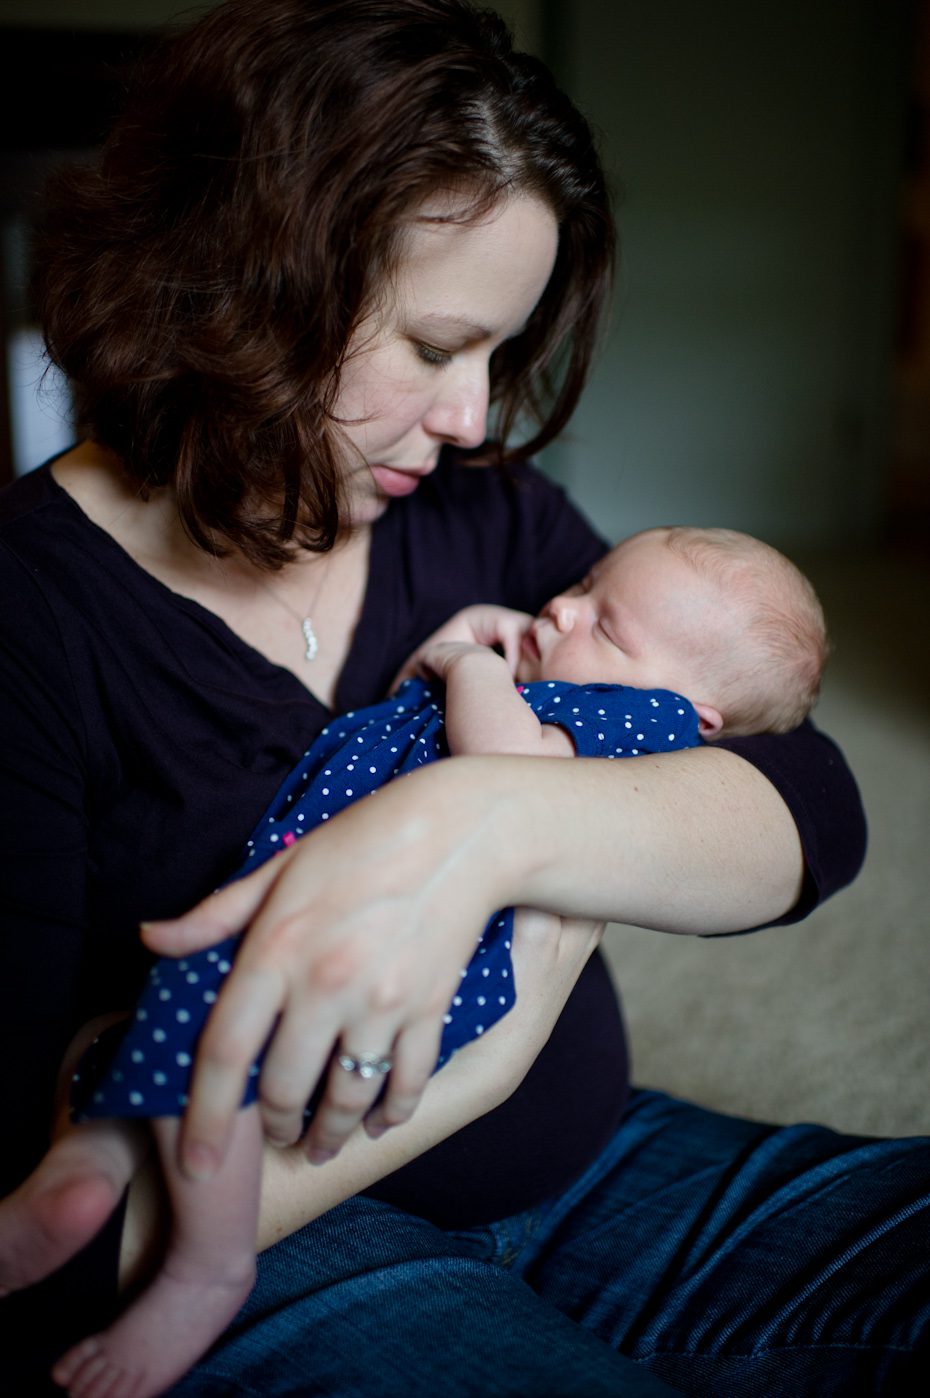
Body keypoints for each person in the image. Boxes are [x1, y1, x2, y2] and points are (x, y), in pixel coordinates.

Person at [0, 2, 924, 1394]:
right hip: (265, 1222)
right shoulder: (33, 615)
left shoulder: (473, 519)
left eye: (497, 353)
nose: (475, 418)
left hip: (598, 1159)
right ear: (244, 287)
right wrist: (480, 1066)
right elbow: (45, 1233)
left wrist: (476, 831)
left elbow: (810, 798)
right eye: (435, 347)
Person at [0, 523, 827, 1395]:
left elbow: (504, 768)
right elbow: (398, 713)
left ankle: (205, 1264)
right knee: (160, 1026)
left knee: (221, 1044)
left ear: (695, 715)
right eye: (584, 582)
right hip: (317, 988)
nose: (561, 606)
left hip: (411, 975)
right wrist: (466, 646)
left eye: (607, 626)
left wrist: (471, 665)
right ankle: (88, 1179)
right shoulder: (38, 607)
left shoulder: (633, 719)